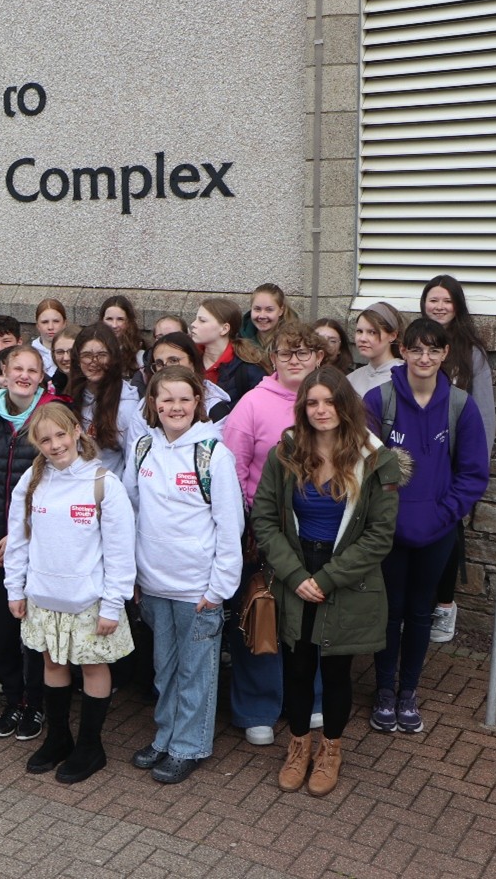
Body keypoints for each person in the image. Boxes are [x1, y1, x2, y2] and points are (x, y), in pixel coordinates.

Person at [252, 366, 397, 795]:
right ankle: (298, 746)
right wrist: (296, 575)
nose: (321, 410)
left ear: (345, 405)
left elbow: (379, 535)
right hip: (296, 571)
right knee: (297, 668)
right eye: (312, 402)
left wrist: (328, 578)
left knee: (336, 671)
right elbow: (264, 518)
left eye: (329, 402)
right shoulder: (287, 453)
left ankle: (330, 749)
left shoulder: (375, 459)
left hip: (345, 577)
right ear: (302, 408)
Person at [363, 320, 489, 734]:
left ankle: (408, 692)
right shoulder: (377, 400)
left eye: (433, 351)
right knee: (388, 613)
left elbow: (472, 474)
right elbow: (362, 469)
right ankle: (384, 691)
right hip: (388, 534)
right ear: (402, 351)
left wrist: (443, 515)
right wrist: (386, 518)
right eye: (416, 350)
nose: (424, 359)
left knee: (420, 614)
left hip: (436, 532)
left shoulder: (460, 405)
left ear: (445, 354)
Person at [123, 366, 242, 784]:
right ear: (154, 404)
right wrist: (133, 576)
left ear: (198, 404)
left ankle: (189, 746)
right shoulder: (141, 448)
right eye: (166, 399)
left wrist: (219, 588)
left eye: (184, 399)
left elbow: (230, 526)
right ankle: (166, 736)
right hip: (154, 585)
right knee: (164, 668)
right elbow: (130, 513)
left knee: (196, 670)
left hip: (198, 589)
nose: (175, 407)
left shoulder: (213, 454)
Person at [5, 403, 135, 782]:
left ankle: (91, 747)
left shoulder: (102, 483)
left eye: (61, 434)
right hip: (43, 597)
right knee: (52, 664)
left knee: (94, 667)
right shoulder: (31, 481)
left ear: (78, 431)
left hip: (89, 600)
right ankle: (59, 738)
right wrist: (16, 588)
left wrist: (113, 603)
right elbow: (18, 541)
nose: (55, 444)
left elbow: (120, 552)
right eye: (45, 439)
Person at [223, 322, 326, 745]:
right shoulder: (252, 403)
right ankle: (257, 706)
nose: (295, 361)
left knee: (313, 616)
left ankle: (311, 697)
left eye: (304, 353)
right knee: (261, 612)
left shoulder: (332, 400)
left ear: (320, 358)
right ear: (273, 358)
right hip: (261, 528)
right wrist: (245, 527)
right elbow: (231, 468)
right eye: (287, 353)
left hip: (320, 528)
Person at [0, 345, 59, 742]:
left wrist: (16, 539)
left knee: (32, 633)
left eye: (31, 370)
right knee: (2, 631)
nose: (23, 375)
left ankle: (35, 705)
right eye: (16, 368)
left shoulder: (51, 416)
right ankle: (13, 701)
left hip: (32, 544)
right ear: (2, 374)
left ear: (41, 376)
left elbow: (56, 483)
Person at [420, 275, 496, 644]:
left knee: (449, 530)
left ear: (457, 306)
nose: (438, 306)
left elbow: (484, 416)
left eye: (446, 301)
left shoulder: (471, 353)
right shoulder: (416, 343)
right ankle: (418, 605)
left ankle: (444, 607)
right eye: (432, 300)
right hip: (419, 454)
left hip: (454, 457)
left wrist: (475, 467)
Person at [66, 324, 141, 473]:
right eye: (87, 355)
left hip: (107, 490)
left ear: (113, 358)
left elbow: (133, 464)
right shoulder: (70, 395)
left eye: (102, 355)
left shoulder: (127, 407)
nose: (94, 361)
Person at [190, 297, 268, 409]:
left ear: (224, 329)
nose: (193, 324)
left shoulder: (248, 370)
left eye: (202, 320)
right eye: (195, 319)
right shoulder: (187, 359)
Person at [348, 302, 406, 397]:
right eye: (359, 331)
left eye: (372, 332)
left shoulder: (406, 377)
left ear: (392, 336)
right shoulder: (351, 379)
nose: (362, 338)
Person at [242, 283, 298, 358]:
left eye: (269, 310)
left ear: (281, 311)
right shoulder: (240, 338)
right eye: (257, 309)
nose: (262, 316)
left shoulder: (295, 341)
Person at [99, 295, 146, 381]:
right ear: (102, 320)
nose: (114, 325)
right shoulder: (92, 347)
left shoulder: (139, 354)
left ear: (128, 322)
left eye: (120, 319)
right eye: (109, 319)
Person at [32, 298, 67, 378]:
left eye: (56, 321)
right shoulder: (31, 353)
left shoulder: (75, 351)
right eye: (45, 322)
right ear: (37, 325)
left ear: (65, 323)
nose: (50, 327)